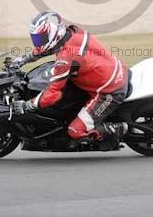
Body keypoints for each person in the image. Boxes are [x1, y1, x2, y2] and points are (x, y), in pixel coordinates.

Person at [11, 10, 129, 146]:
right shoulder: (72, 32)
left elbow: (53, 94)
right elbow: (47, 48)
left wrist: (28, 105)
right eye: (36, 38)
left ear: (54, 33)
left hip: (109, 90)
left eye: (40, 38)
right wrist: (23, 60)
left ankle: (117, 129)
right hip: (109, 70)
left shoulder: (66, 58)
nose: (37, 42)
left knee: (75, 130)